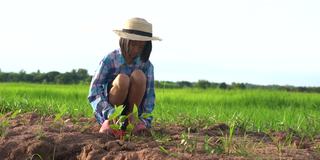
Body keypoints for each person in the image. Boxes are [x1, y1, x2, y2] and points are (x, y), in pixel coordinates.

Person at [88, 17, 161, 136]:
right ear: (124, 40)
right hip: (112, 110)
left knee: (139, 76)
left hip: (134, 111)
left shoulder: (147, 66)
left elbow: (149, 98)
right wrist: (110, 113)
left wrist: (144, 121)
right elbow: (94, 92)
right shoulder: (110, 59)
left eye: (141, 46)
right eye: (133, 44)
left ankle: (132, 120)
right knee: (122, 79)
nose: (136, 49)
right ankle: (112, 122)